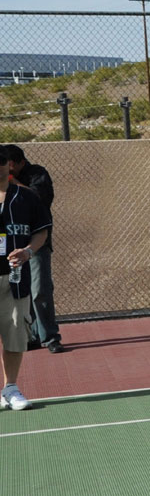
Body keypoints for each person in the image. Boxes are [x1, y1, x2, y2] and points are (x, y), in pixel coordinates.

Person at [0, 147, 53, 412]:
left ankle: (10, 388)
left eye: (1, 163)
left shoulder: (26, 197)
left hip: (14, 278)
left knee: (14, 333)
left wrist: (28, 251)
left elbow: (41, 231)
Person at [5, 145, 62, 353]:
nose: (6, 168)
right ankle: (31, 336)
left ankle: (50, 337)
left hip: (36, 243)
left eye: (8, 164)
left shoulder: (37, 173)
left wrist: (12, 181)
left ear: (19, 162)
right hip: (11, 245)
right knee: (19, 292)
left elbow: (39, 199)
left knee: (40, 290)